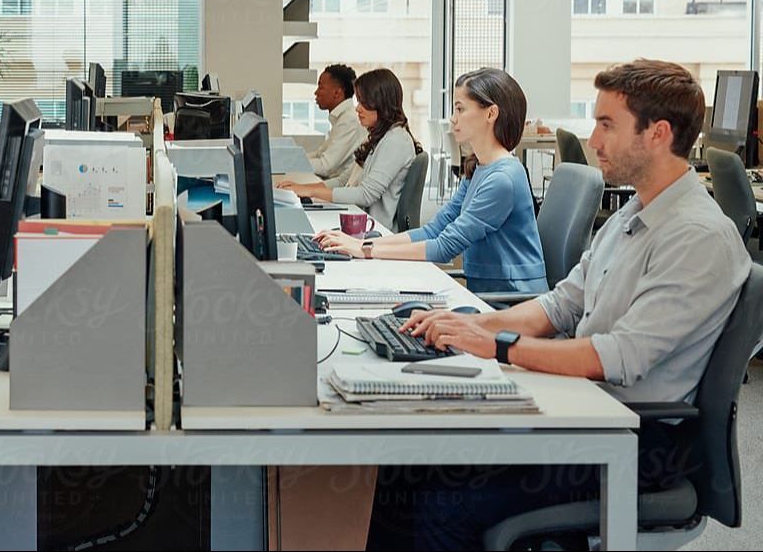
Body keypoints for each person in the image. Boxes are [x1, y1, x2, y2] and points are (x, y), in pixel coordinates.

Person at [366, 59, 752, 551]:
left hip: (632, 440)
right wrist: (467, 322)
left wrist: (497, 346)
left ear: (657, 134)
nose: (593, 140)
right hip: (584, 410)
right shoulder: (632, 214)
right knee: (398, 468)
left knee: (442, 501)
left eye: (607, 124)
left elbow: (615, 357)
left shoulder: (697, 237)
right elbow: (560, 306)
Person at [317, 68, 547, 294]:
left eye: (460, 109)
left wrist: (365, 250)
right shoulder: (479, 167)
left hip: (512, 301)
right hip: (490, 295)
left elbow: (445, 247)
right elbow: (434, 230)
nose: (453, 118)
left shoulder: (502, 180)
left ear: (490, 113)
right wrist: (362, 245)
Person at [278, 68, 421, 231]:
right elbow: (343, 180)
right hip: (359, 219)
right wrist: (304, 189)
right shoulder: (378, 137)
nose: (357, 108)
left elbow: (366, 195)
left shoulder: (396, 140)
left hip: (372, 229)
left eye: (364, 102)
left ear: (381, 103)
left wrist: (309, 191)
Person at [305, 63, 365, 182]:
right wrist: (291, 160)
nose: (316, 93)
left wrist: (292, 164)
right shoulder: (342, 118)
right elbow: (319, 154)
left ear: (337, 93)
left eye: (321, 87)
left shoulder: (349, 121)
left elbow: (325, 166)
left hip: (340, 188)